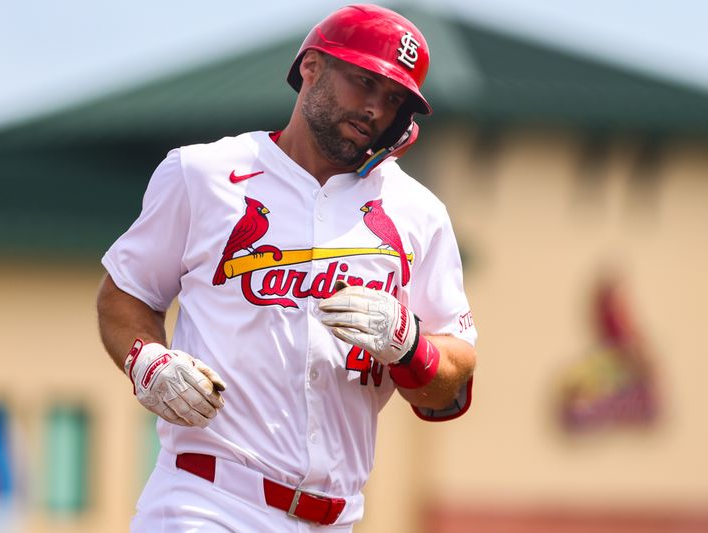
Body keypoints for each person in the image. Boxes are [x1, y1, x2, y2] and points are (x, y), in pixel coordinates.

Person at [96, 4, 477, 531]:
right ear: (311, 67)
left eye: (393, 99)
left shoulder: (419, 213)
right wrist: (147, 360)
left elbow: (451, 380)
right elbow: (125, 291)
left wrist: (409, 345)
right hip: (207, 500)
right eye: (364, 82)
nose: (375, 108)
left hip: (337, 516)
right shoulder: (203, 173)